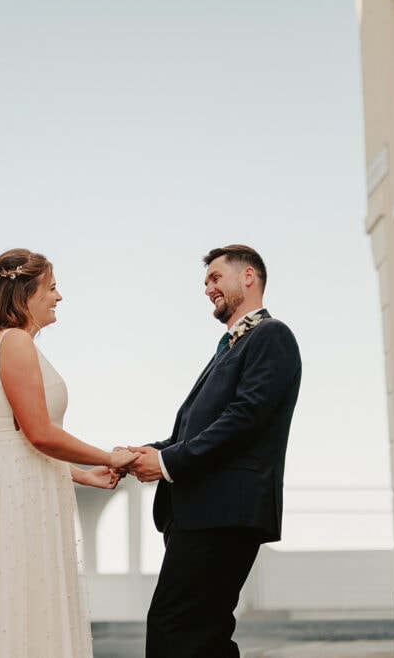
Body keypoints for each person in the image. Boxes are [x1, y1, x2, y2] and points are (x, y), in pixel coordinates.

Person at [0, 248, 137, 658]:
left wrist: (81, 475)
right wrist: (106, 458)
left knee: (14, 600)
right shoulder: (16, 342)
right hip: (16, 492)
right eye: (52, 287)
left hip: (14, 479)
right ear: (25, 293)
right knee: (20, 597)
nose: (59, 297)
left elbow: (21, 440)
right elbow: (39, 433)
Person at [125, 244, 302, 658]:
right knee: (200, 635)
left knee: (176, 628)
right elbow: (195, 429)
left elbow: (246, 418)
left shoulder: (271, 335)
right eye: (206, 281)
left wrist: (167, 463)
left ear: (248, 277)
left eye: (215, 278)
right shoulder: (229, 347)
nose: (207, 288)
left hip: (225, 512)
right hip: (203, 512)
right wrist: (141, 454)